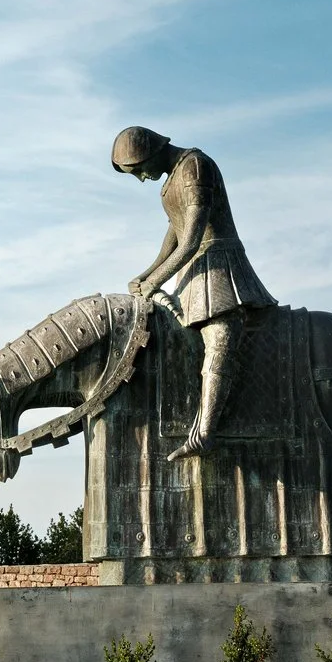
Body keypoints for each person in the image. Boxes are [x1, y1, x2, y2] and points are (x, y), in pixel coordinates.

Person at [111, 125, 278, 458]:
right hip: (193, 272)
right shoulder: (170, 182)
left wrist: (155, 280)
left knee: (219, 339)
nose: (143, 178)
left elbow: (191, 241)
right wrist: (144, 275)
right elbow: (174, 234)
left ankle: (205, 433)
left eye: (139, 170)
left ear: (152, 152)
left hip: (218, 266)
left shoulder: (194, 167)